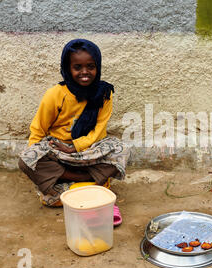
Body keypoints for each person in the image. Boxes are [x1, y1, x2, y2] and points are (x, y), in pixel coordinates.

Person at [18, 39, 129, 226]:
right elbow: (38, 129)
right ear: (68, 68)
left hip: (88, 150)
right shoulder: (55, 94)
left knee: (121, 148)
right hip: (58, 150)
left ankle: (72, 187)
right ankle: (87, 181)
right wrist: (35, 158)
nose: (84, 72)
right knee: (25, 160)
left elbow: (99, 131)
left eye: (90, 66)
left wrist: (75, 147)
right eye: (77, 67)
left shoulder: (104, 93)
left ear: (98, 67)